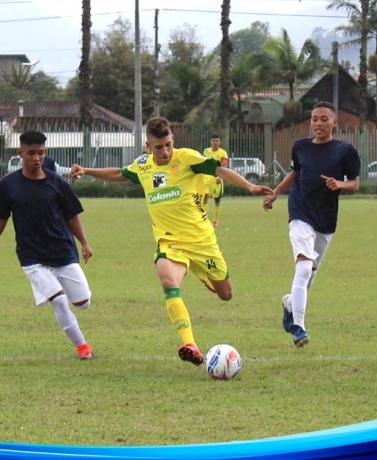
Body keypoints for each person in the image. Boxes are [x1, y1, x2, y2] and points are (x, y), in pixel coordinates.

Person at [70, 117, 273, 366]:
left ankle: (201, 273)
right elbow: (120, 173)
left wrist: (250, 187)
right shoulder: (143, 166)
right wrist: (87, 171)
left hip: (202, 242)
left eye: (168, 145)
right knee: (168, 281)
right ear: (148, 146)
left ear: (172, 140)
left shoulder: (187, 158)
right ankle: (190, 343)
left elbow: (219, 170)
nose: (165, 151)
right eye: (158, 147)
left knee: (226, 294)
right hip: (170, 243)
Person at [0, 131, 94, 360]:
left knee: (83, 302)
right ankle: (83, 347)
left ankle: (68, 293)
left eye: (41, 153)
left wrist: (84, 243)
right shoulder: (8, 184)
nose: (36, 158)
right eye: (31, 153)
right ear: (21, 153)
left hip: (62, 251)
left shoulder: (57, 183)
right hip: (31, 256)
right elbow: (1, 219)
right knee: (58, 300)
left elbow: (72, 216)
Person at [263, 101, 360, 348]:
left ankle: (288, 303)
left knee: (308, 277)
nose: (318, 123)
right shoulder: (300, 147)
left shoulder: (345, 150)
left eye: (323, 119)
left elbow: (355, 183)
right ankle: (299, 328)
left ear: (334, 123)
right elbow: (294, 174)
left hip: (325, 221)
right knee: (303, 269)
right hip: (300, 214)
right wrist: (275, 192)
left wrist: (340, 184)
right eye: (314, 119)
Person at [202, 134, 229, 227]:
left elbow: (224, 166)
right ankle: (204, 219)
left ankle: (215, 220)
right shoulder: (206, 151)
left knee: (217, 199)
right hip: (207, 178)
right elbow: (203, 163)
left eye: (217, 141)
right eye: (214, 140)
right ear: (211, 142)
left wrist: (221, 177)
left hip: (217, 178)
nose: (215, 142)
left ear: (219, 142)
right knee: (204, 196)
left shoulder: (223, 153)